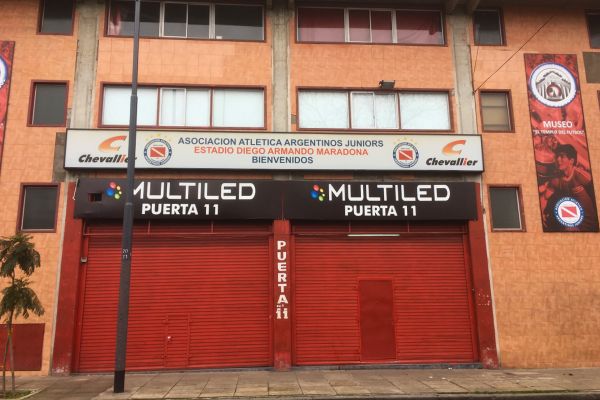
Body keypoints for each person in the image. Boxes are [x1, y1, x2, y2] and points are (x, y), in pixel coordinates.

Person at [539, 144, 599, 231]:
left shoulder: (581, 175)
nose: (558, 159)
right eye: (557, 157)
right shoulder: (556, 180)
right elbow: (545, 197)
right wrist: (541, 211)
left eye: (562, 156)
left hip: (590, 224)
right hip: (574, 222)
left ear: (571, 160)